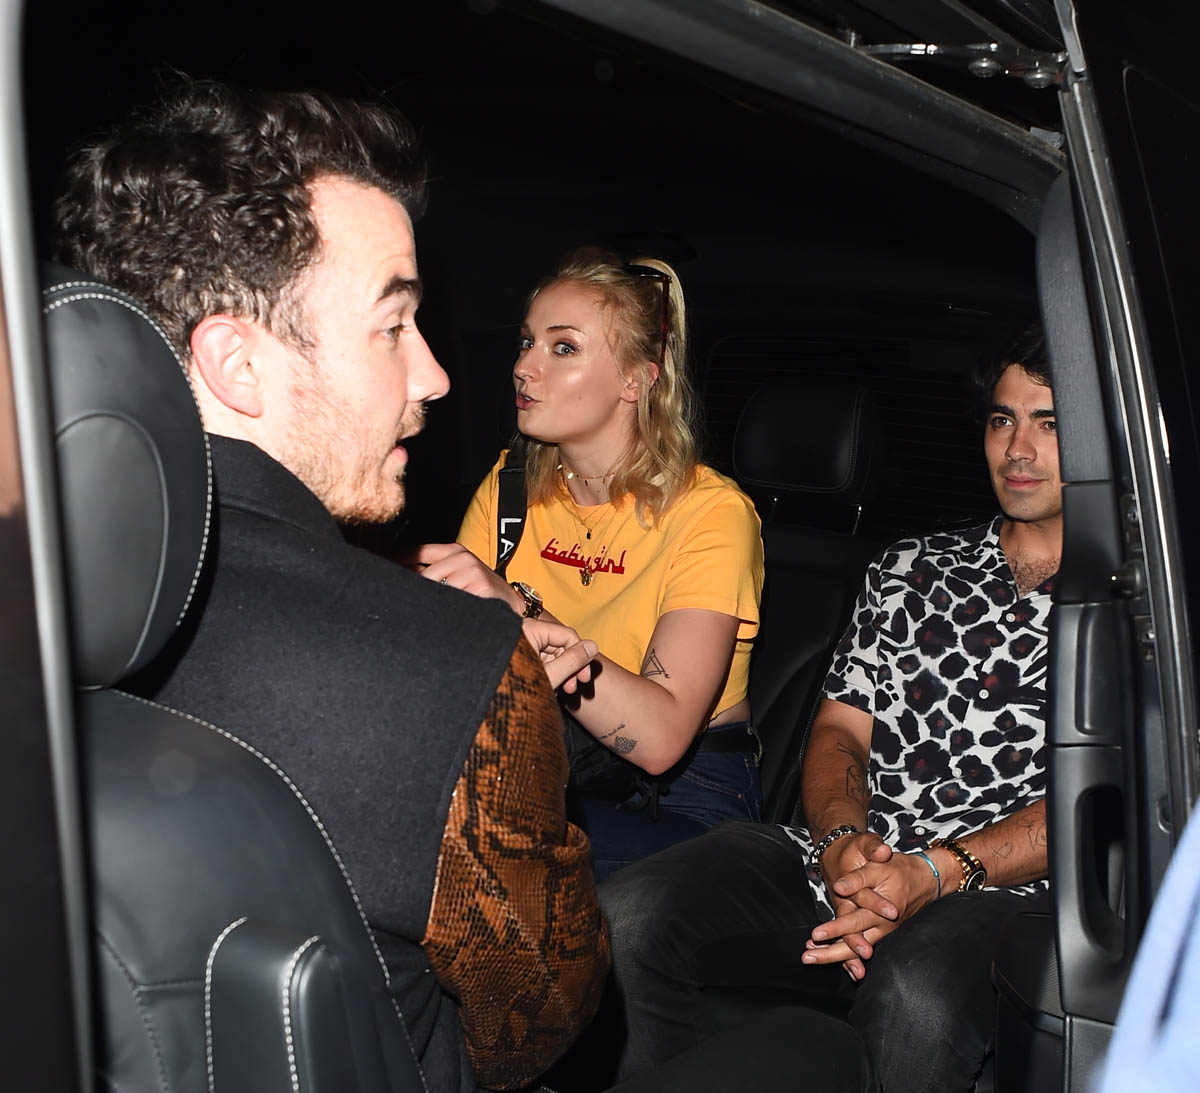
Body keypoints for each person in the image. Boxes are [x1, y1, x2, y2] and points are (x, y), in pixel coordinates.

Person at [55, 81, 608, 1092]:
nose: (434, 376)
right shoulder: (456, 667)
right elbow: (541, 1025)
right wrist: (488, 667)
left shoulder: (34, 614)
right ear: (238, 363)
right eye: (393, 326)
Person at [597, 325, 1059, 1091]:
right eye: (1001, 419)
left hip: (1006, 889)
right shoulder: (911, 567)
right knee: (629, 915)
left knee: (915, 997)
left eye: (1049, 423)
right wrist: (844, 844)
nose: (1017, 447)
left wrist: (932, 872)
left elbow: (1103, 802)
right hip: (856, 857)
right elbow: (841, 728)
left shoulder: (1136, 604)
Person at [415, 247, 765, 877]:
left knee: (472, 844)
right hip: (544, 761)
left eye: (563, 348)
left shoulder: (711, 513)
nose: (524, 367)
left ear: (636, 380)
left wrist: (518, 608)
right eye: (527, 343)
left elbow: (659, 741)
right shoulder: (511, 489)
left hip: (684, 800)